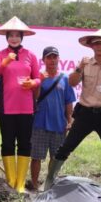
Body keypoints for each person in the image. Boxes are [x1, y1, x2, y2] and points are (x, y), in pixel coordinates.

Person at [45, 29, 101, 196]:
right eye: (97, 43)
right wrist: (79, 68)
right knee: (66, 146)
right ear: (92, 46)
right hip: (85, 113)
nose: (100, 46)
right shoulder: (84, 64)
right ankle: (49, 181)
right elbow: (71, 82)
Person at [0, 16, 40, 193]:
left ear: (22, 37)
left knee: (25, 143)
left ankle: (20, 183)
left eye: (17, 35)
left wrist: (33, 84)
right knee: (7, 142)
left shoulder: (30, 55)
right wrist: (5, 62)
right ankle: (10, 180)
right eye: (11, 35)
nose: (14, 38)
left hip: (27, 106)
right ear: (6, 37)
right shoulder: (0, 54)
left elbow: (38, 77)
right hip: (6, 106)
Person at [28, 46, 75, 191]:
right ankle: (35, 184)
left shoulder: (65, 78)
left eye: (55, 57)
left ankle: (49, 183)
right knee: (36, 156)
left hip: (59, 124)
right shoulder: (37, 77)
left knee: (55, 157)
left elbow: (68, 101)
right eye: (49, 57)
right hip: (39, 123)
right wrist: (39, 82)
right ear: (43, 60)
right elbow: (33, 98)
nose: (52, 60)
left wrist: (69, 120)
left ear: (59, 59)